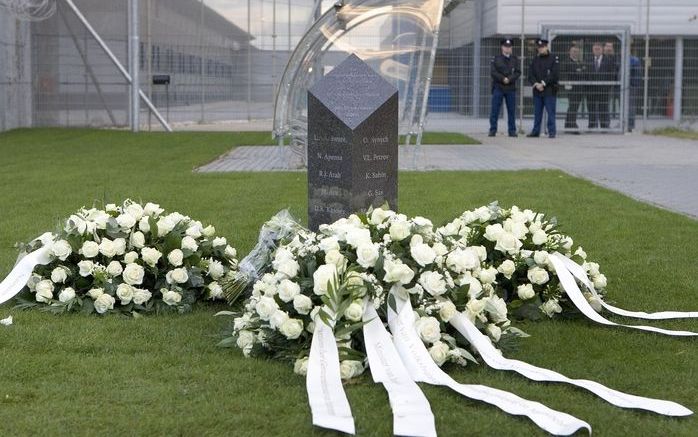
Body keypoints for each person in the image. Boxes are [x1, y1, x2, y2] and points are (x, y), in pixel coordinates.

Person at [527, 39, 559, 138]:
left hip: (549, 90)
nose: (541, 49)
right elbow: (530, 74)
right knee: (537, 113)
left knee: (550, 113)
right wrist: (536, 84)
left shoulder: (554, 58)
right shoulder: (535, 59)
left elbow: (554, 74)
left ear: (547, 47)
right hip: (537, 90)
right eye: (539, 47)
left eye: (542, 47)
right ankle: (536, 131)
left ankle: (552, 132)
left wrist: (543, 83)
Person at [489, 38, 521, 137]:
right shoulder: (496, 58)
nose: (507, 48)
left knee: (511, 110)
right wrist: (503, 78)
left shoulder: (514, 59)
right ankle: (493, 130)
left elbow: (517, 72)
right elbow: (493, 72)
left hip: (510, 88)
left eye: (509, 47)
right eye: (506, 47)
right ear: (502, 47)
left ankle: (512, 131)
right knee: (495, 110)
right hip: (499, 86)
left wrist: (509, 79)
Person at [587, 42, 614, 129]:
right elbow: (585, 74)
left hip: (604, 89)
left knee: (603, 107)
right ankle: (592, 125)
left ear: (602, 50)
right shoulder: (588, 60)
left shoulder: (609, 61)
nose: (597, 51)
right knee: (591, 107)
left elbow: (612, 74)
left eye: (598, 49)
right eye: (595, 49)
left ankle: (604, 125)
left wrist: (608, 86)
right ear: (592, 50)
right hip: (591, 89)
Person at [561, 44, 586, 132]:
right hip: (571, 88)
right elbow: (564, 74)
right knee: (573, 107)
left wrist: (579, 72)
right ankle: (572, 125)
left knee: (574, 106)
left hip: (580, 89)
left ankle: (567, 124)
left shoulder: (580, 62)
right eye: (573, 51)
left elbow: (583, 74)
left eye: (577, 52)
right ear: (570, 52)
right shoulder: (566, 62)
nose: (575, 53)